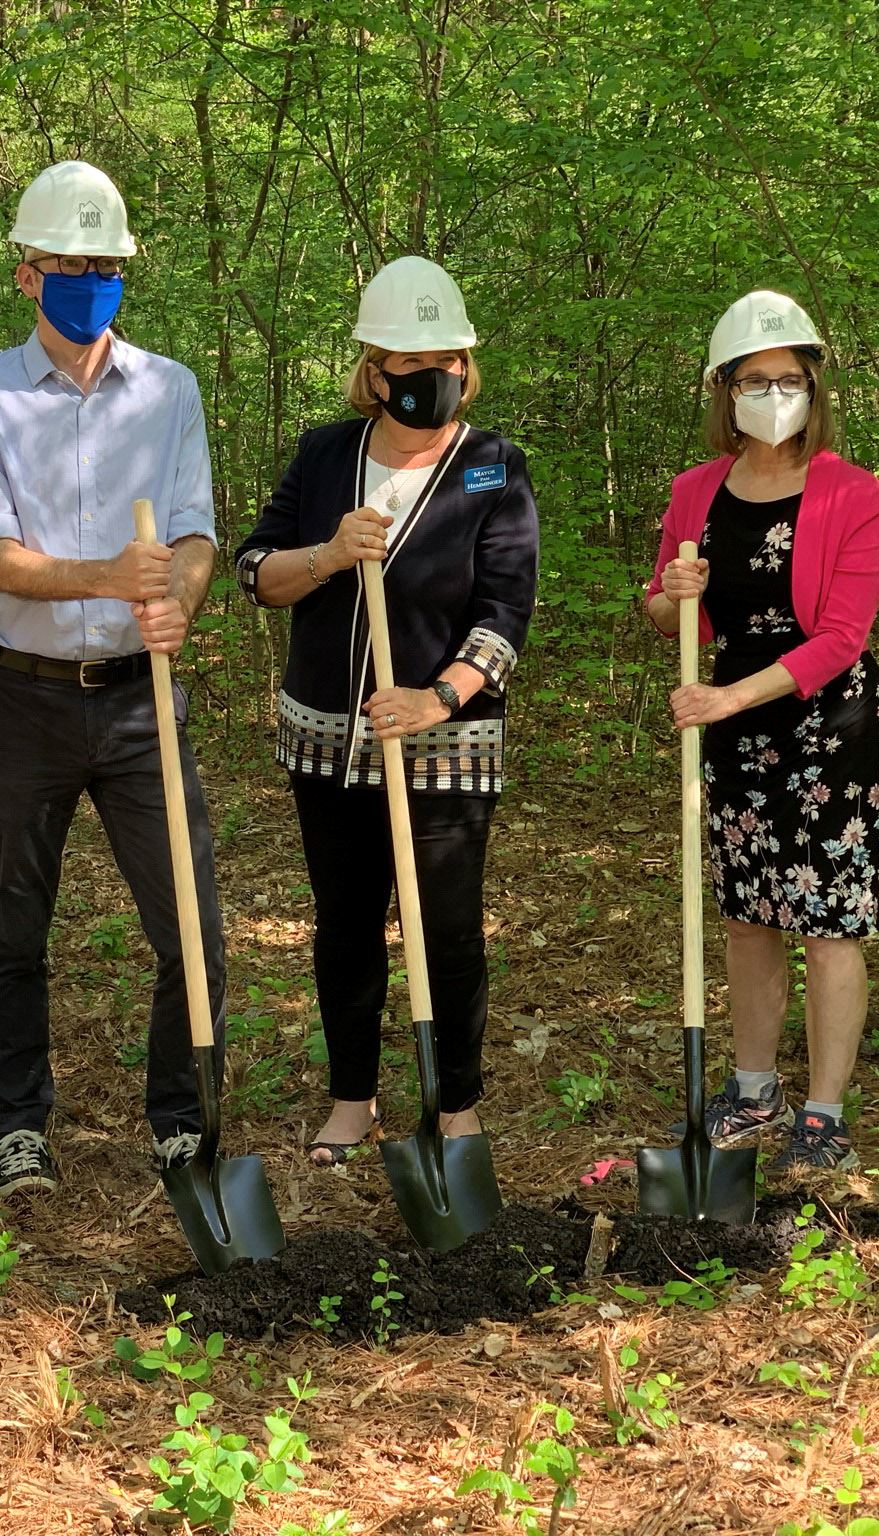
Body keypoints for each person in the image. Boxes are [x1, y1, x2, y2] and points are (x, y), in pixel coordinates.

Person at [0, 160, 225, 1198]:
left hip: (136, 701)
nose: (90, 280)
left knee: (187, 923)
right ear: (27, 275)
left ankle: (183, 1123)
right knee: (19, 919)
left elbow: (193, 532)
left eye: (105, 264)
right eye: (70, 264)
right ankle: (18, 1125)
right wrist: (106, 573)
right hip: (22, 698)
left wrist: (177, 600)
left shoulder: (168, 390)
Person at [233, 256, 538, 1167]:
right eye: (410, 362)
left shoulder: (492, 467)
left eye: (446, 359)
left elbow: (506, 608)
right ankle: (352, 1098)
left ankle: (455, 1106)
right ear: (374, 367)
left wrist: (439, 696)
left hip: (447, 741)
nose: (430, 378)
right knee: (347, 921)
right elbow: (257, 572)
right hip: (330, 741)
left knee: (446, 923)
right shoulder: (327, 455)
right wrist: (327, 554)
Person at [645, 289, 879, 1174]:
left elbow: (841, 636)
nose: (774, 393)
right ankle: (754, 1090)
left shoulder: (852, 493)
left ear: (814, 385)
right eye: (755, 379)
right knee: (750, 917)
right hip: (737, 732)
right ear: (725, 390)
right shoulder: (695, 491)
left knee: (829, 921)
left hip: (831, 730)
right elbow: (678, 615)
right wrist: (672, 599)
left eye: (789, 378)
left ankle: (822, 1112)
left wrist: (729, 699)